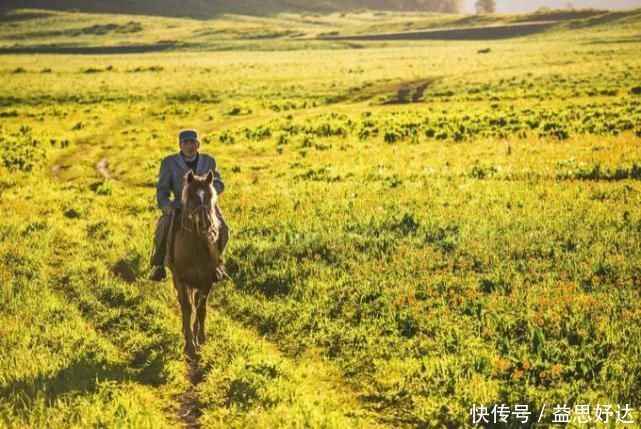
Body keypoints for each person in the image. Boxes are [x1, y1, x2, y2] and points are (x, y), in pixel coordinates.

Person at [149, 129, 229, 281]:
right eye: (186, 143)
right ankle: (159, 264)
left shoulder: (209, 160)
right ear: (180, 145)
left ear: (198, 144)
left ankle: (217, 263)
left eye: (193, 142)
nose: (190, 146)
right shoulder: (169, 162)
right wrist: (167, 206)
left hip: (205, 205)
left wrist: (207, 192)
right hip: (180, 205)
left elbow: (219, 183)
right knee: (164, 225)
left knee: (224, 227)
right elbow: (162, 191)